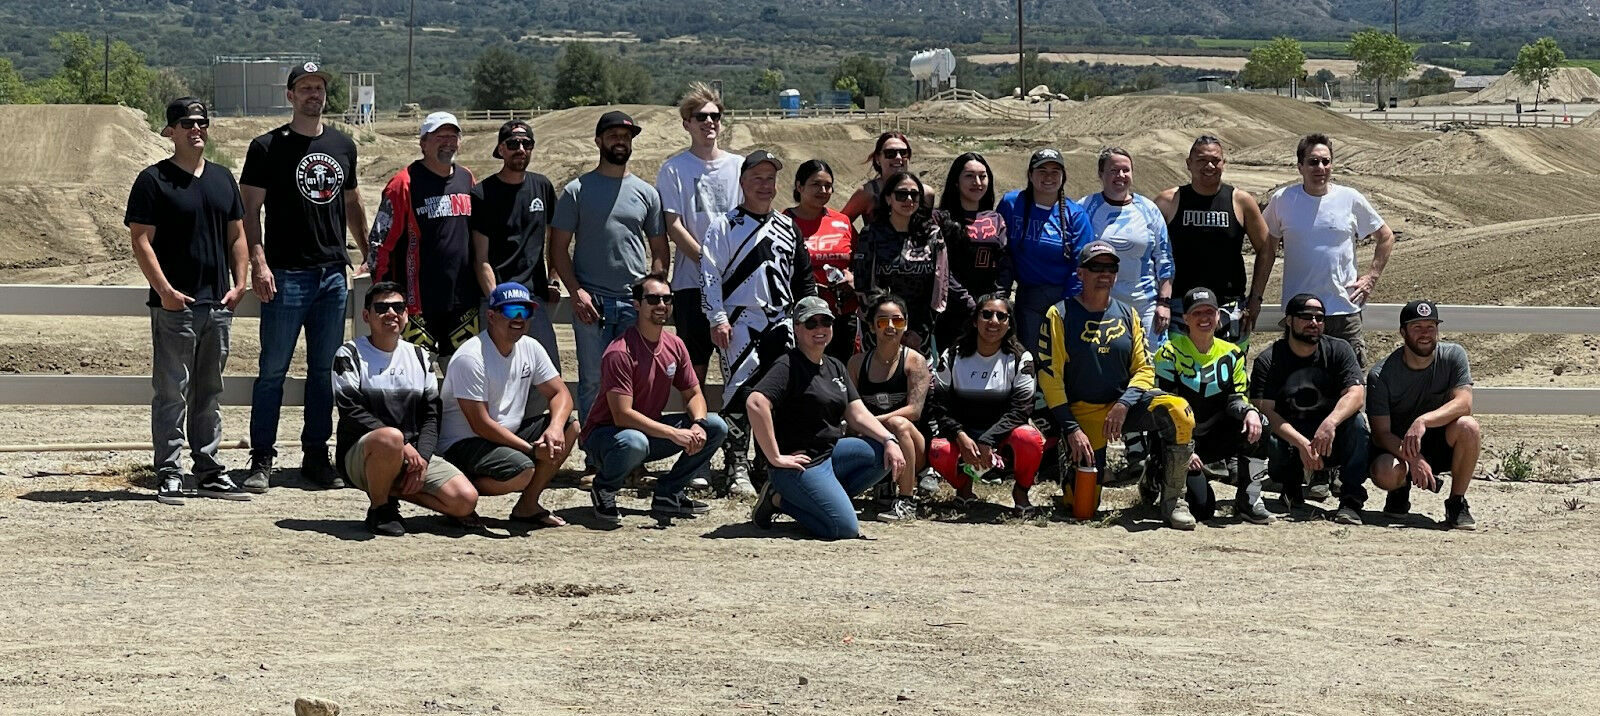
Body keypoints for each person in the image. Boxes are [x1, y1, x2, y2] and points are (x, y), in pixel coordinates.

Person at [240, 62, 368, 492]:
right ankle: (262, 458)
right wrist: (258, 262)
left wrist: (367, 253)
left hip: (332, 273)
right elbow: (248, 212)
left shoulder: (343, 145)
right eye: (305, 87)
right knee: (272, 370)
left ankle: (316, 454)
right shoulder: (266, 147)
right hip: (285, 274)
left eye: (319, 88)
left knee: (322, 372)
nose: (314, 94)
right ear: (290, 95)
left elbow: (352, 203)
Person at [126, 96, 251, 504]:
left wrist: (241, 283)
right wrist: (165, 292)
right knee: (171, 392)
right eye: (186, 123)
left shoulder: (222, 179)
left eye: (201, 122)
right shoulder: (153, 180)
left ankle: (210, 470)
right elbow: (141, 240)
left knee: (210, 392)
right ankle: (169, 472)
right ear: (171, 132)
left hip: (217, 306)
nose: (196, 128)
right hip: (174, 307)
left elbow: (237, 235)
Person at [1036, 242, 1198, 529]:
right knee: (1082, 509)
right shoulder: (1059, 314)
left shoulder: (1129, 314)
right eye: (1096, 267)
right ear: (1080, 273)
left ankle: (1173, 498)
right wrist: (1070, 429)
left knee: (1178, 410)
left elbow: (1145, 368)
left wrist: (1124, 403)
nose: (1104, 273)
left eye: (1110, 267)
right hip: (1083, 415)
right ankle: (1070, 465)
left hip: (1124, 407)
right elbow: (1051, 379)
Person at [700, 150, 817, 496]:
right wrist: (717, 317)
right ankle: (736, 463)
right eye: (757, 178)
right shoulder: (724, 226)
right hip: (739, 323)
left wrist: (807, 317)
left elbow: (804, 278)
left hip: (780, 323)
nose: (764, 186)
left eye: (770, 179)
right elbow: (710, 276)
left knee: (779, 394)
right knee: (738, 392)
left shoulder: (787, 226)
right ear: (743, 182)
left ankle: (769, 461)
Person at [745, 297, 908, 539]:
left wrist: (889, 440)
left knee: (880, 455)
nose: (820, 329)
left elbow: (857, 412)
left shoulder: (835, 366)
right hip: (800, 464)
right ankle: (778, 499)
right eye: (811, 323)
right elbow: (756, 402)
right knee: (843, 529)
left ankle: (824, 500)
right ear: (797, 329)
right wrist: (775, 457)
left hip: (830, 455)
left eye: (826, 322)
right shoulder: (787, 365)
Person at [550, 110, 669, 427]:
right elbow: (558, 249)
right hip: (592, 305)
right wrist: (576, 293)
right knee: (593, 381)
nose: (621, 141)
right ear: (599, 141)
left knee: (638, 381)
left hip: (634, 306)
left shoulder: (647, 193)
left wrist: (652, 293)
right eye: (614, 135)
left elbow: (659, 249)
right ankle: (596, 458)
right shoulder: (576, 191)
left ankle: (632, 457)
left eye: (627, 136)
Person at [580, 273, 729, 524]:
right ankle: (604, 488)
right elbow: (622, 415)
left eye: (666, 299)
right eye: (653, 299)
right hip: (608, 437)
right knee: (634, 441)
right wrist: (673, 434)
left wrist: (698, 425)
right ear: (637, 305)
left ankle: (668, 493)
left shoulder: (675, 344)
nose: (661, 305)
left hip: (646, 432)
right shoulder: (620, 351)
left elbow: (693, 393)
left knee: (715, 426)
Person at [332, 282, 479, 535]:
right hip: (362, 455)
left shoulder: (421, 357)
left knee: (465, 500)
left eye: (398, 307)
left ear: (406, 315)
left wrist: (421, 459)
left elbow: (432, 416)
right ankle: (381, 508)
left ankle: (389, 486)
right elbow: (351, 409)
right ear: (366, 316)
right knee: (391, 437)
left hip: (411, 455)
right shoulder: (350, 353)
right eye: (382, 308)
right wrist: (403, 446)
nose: (391, 313)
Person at [438, 283, 579, 528]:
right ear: (491, 316)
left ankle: (528, 505)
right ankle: (457, 490)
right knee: (523, 470)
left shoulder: (531, 347)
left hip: (506, 433)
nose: (518, 319)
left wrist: (554, 428)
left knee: (571, 426)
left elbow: (561, 393)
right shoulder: (471, 357)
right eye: (511, 311)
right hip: (463, 443)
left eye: (525, 312)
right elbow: (480, 424)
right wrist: (532, 451)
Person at [1262, 133, 1396, 366]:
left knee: (1350, 386)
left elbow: (1385, 236)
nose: (1320, 167)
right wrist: (1256, 297)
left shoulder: (1350, 198)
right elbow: (1267, 250)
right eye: (1313, 162)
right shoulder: (1283, 200)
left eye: (1326, 161)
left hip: (1343, 311)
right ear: (1300, 167)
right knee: (1299, 383)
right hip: (1300, 312)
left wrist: (1371, 278)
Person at [1152, 287, 1271, 524]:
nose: (1204, 318)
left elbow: (1236, 399)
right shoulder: (1168, 353)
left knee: (1261, 423)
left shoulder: (1233, 353)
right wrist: (1187, 450)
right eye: (1197, 313)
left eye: (1210, 312)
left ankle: (1249, 499)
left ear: (1218, 316)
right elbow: (1164, 408)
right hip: (1178, 440)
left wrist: (1249, 412)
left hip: (1216, 434)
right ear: (1185, 318)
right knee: (1203, 509)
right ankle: (1154, 473)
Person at [369, 112, 479, 359]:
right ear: (423, 143)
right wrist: (383, 292)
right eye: (440, 136)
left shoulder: (467, 178)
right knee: (416, 375)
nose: (448, 142)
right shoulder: (403, 183)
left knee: (465, 375)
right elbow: (379, 243)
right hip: (417, 302)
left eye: (453, 136)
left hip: (463, 299)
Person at [1250, 293, 1371, 516]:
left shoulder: (1339, 349)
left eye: (1319, 318)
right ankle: (1290, 487)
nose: (1314, 323)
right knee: (1266, 428)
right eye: (1306, 317)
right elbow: (1265, 409)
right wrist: (1301, 443)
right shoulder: (1269, 359)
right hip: (1290, 436)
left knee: (1357, 424)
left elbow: (1356, 394)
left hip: (1329, 436)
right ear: (1289, 320)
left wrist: (1330, 424)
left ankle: (1351, 499)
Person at [1361, 300, 1479, 530]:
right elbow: (1381, 434)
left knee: (1469, 426)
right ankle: (1399, 489)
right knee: (1386, 472)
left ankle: (1457, 502)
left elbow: (1464, 403)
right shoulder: (1381, 374)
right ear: (1402, 332)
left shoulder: (1453, 355)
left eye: (1430, 327)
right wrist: (1414, 459)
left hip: (1440, 441)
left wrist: (1422, 421)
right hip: (1398, 446)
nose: (1425, 334)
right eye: (1417, 328)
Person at [657, 82, 743, 386]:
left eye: (715, 116)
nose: (709, 121)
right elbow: (674, 226)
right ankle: (696, 428)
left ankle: (735, 433)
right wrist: (709, 264)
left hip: (738, 283)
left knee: (740, 364)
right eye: (701, 116)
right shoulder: (673, 169)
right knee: (694, 369)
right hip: (691, 284)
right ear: (687, 123)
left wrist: (728, 267)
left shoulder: (740, 167)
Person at [926, 294, 1046, 513]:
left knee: (1029, 438)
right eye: (987, 314)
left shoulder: (1021, 358)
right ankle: (964, 490)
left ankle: (1021, 494)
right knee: (938, 450)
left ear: (1009, 324)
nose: (994, 321)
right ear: (975, 320)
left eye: (1002, 316)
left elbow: (1022, 409)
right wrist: (961, 436)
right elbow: (939, 405)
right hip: (965, 438)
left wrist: (988, 440)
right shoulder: (952, 356)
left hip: (1003, 439)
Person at [1153, 135, 1273, 340]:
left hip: (1228, 306)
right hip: (1180, 307)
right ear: (1189, 164)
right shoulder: (1168, 201)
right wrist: (1160, 300)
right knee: (1180, 371)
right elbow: (1149, 252)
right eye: (1201, 160)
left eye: (1215, 160)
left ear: (1223, 163)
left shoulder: (1241, 201)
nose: (1209, 165)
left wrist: (1256, 298)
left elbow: (1266, 249)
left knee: (1230, 369)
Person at [470, 120, 561, 368]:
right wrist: (497, 301)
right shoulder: (481, 194)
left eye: (526, 143)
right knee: (495, 370)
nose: (520, 148)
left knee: (547, 369)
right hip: (497, 297)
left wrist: (553, 279)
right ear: (501, 150)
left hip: (533, 297)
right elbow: (481, 258)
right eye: (512, 143)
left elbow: (556, 238)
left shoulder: (542, 186)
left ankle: (537, 411)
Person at [853, 171, 972, 354]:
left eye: (914, 195)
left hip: (919, 331)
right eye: (901, 194)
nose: (908, 199)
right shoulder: (871, 234)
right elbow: (862, 286)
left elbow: (940, 287)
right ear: (888, 199)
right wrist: (879, 326)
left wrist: (921, 330)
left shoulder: (932, 235)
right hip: (880, 328)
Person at [996, 148, 1096, 355]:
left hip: (1064, 297)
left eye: (1055, 171)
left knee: (1061, 356)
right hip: (1027, 296)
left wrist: (1067, 308)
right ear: (1030, 175)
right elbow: (999, 249)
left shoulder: (1075, 215)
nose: (1048, 177)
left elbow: (1081, 265)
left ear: (1063, 177)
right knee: (1028, 356)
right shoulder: (1011, 204)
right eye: (1042, 171)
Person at [845, 294, 931, 522]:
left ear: (906, 324)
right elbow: (849, 412)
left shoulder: (915, 361)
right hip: (873, 443)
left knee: (899, 423)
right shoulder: (856, 364)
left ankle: (906, 500)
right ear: (872, 326)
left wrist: (873, 422)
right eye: (883, 321)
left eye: (898, 321)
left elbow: (914, 411)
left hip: (911, 445)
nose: (891, 327)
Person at [1079, 147, 1173, 347]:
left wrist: (1164, 303)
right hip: (1098, 306)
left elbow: (1164, 259)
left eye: (1126, 170)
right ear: (1100, 174)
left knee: (1151, 367)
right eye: (1113, 170)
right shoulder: (1085, 207)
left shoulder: (1149, 210)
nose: (1120, 176)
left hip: (1144, 306)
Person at [785, 159, 859, 362]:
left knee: (841, 373)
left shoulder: (842, 222)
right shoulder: (783, 222)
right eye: (816, 184)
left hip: (843, 315)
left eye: (828, 185)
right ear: (799, 186)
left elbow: (861, 260)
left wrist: (853, 277)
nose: (823, 190)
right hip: (804, 318)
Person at [934, 152, 1010, 349]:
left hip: (990, 315)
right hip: (952, 313)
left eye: (982, 176)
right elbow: (941, 268)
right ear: (956, 181)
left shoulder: (996, 219)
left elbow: (1005, 263)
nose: (977, 182)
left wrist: (996, 301)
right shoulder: (940, 219)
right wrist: (969, 304)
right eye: (969, 176)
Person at [841, 132, 931, 226]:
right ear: (877, 159)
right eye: (890, 153)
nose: (898, 157)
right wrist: (859, 239)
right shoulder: (867, 193)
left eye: (903, 153)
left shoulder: (926, 194)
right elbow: (839, 224)